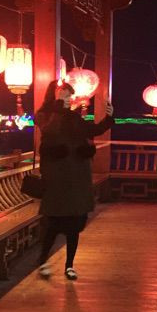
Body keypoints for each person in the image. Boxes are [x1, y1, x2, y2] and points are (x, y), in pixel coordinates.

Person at [35, 80, 113, 280]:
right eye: (64, 95)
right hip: (57, 179)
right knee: (53, 224)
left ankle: (69, 265)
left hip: (77, 177)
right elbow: (50, 130)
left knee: (74, 225)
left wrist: (108, 118)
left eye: (69, 96)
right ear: (53, 95)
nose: (68, 99)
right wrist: (58, 107)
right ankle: (42, 260)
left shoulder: (74, 117)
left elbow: (93, 130)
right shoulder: (44, 115)